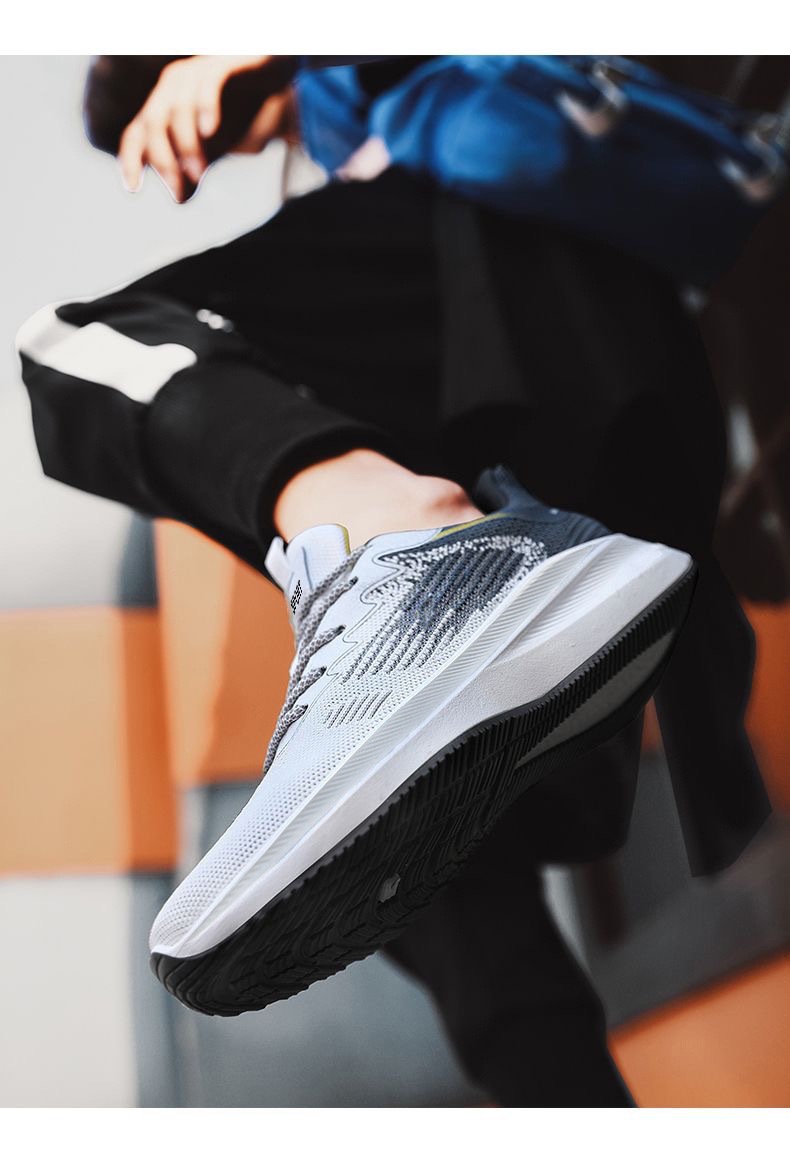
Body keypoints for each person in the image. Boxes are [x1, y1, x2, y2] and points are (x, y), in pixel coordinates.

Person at [16, 56, 773, 1107]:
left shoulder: (350, 72)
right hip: (586, 472)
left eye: (176, 134)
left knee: (77, 348)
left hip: (531, 294)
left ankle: (400, 546)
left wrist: (251, 47)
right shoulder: (327, 156)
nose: (198, 161)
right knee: (416, 863)